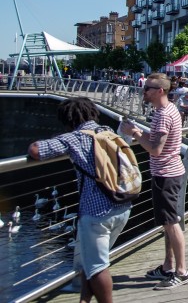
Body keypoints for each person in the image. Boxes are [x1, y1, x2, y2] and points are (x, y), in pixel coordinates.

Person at [27, 98, 131, 303]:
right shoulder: (107, 131)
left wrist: (61, 138)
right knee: (90, 261)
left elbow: (36, 150)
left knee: (98, 266)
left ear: (67, 119)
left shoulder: (73, 138)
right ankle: (84, 300)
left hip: (96, 212)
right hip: (122, 204)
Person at [124, 73, 188, 289]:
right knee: (168, 222)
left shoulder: (162, 114)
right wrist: (142, 132)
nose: (145, 91)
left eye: (148, 88)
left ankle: (181, 271)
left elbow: (155, 149)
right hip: (170, 172)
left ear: (160, 90)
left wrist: (134, 133)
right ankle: (167, 266)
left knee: (171, 223)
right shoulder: (169, 109)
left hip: (166, 175)